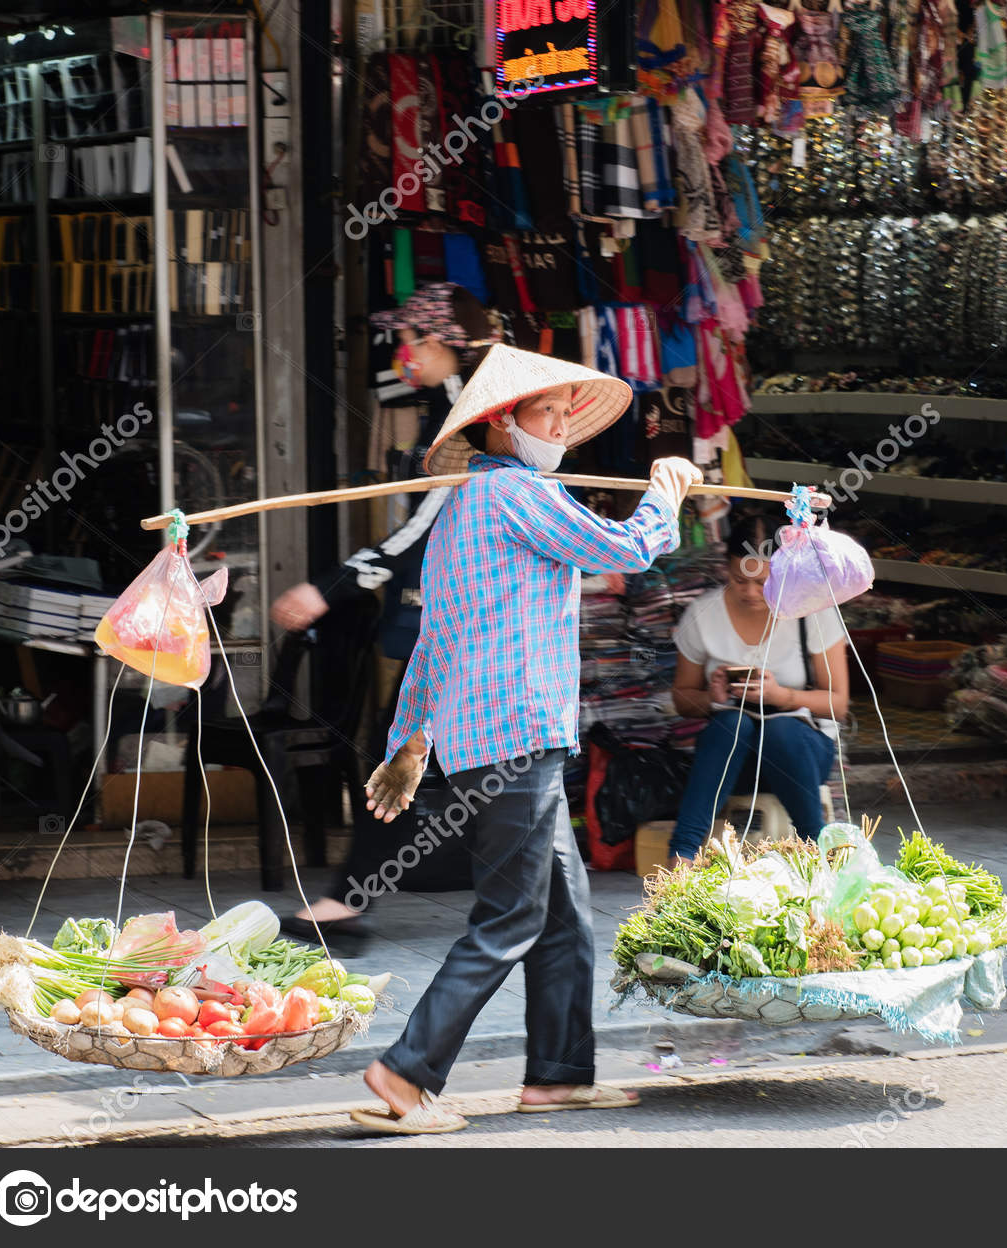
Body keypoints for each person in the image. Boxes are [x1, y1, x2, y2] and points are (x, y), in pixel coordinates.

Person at [351, 343, 703, 1133]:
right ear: (504, 424)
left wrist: (411, 745)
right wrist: (665, 493)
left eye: (563, 414)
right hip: (516, 736)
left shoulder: (463, 511)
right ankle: (407, 1073)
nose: (560, 427)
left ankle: (558, 1076)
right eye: (546, 412)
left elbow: (436, 641)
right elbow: (623, 551)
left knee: (565, 914)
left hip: (495, 738)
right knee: (511, 915)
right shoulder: (515, 492)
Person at [273, 285, 497, 950]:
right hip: (471, 618)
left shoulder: (465, 417)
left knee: (402, 753)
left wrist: (329, 588)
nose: (402, 353)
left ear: (442, 345)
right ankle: (354, 899)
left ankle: (346, 904)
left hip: (469, 620)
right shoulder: (455, 405)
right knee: (428, 754)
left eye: (411, 340)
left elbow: (417, 533)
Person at [667, 509, 850, 863]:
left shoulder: (812, 612)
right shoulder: (703, 615)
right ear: (726, 568)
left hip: (800, 755)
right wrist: (713, 697)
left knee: (781, 728)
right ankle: (682, 855)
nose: (751, 593)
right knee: (731, 724)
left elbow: (839, 705)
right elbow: (682, 700)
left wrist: (783, 697)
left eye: (763, 582)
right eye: (739, 580)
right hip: (732, 761)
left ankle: (818, 848)